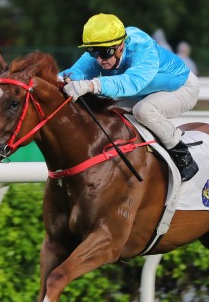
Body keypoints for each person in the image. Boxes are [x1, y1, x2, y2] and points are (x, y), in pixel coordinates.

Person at [61, 13, 200, 181]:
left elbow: (132, 83)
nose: (99, 60)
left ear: (120, 46)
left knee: (144, 110)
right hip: (144, 92)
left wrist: (91, 85)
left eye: (104, 53)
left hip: (182, 88)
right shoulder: (104, 47)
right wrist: (54, 80)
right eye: (93, 53)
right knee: (106, 109)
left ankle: (183, 156)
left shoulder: (143, 47)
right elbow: (76, 72)